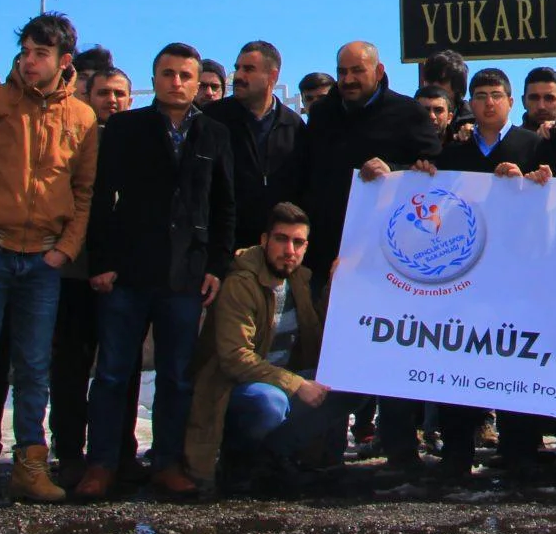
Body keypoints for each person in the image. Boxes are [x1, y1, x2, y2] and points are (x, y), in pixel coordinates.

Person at [0, 12, 99, 512]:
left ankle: (31, 466)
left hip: (44, 261)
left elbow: (85, 191)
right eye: (25, 52)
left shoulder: (83, 117)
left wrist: (65, 249)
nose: (30, 62)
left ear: (63, 60)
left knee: (34, 368)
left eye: (41, 54)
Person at [78, 44, 235, 500]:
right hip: (127, 270)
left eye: (186, 75)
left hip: (185, 276)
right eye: (169, 74)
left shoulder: (213, 133)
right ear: (155, 78)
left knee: (176, 376)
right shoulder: (126, 128)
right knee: (111, 373)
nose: (178, 83)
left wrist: (216, 266)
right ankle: (102, 463)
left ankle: (168, 461)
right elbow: (101, 197)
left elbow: (225, 206)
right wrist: (102, 261)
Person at [297, 41, 441, 472]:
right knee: (329, 357)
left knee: (391, 356)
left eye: (356, 71)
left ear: (378, 71)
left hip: (389, 263)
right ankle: (323, 452)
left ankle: (399, 453)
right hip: (330, 255)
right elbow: (308, 177)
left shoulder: (408, 113)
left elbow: (433, 170)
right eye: (342, 72)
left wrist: (391, 170)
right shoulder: (322, 115)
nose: (347, 80)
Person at [424, 69, 551, 479]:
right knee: (458, 359)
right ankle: (457, 451)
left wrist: (534, 184)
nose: (488, 102)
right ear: (470, 104)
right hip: (464, 274)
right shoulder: (453, 153)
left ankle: (520, 452)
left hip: (519, 273)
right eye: (480, 96)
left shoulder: (534, 146)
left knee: (516, 360)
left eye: (496, 95)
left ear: (511, 102)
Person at [183, 204, 347, 497]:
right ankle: (237, 459)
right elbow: (235, 359)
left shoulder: (298, 280)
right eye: (281, 239)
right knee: (268, 403)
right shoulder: (240, 283)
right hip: (233, 390)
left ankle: (271, 458)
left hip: (281, 384)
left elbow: (317, 339)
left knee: (350, 385)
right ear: (264, 240)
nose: (289, 250)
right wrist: (296, 384)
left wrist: (335, 288)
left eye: (298, 242)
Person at [52, 65, 134, 490]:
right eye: (104, 93)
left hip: (123, 276)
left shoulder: (138, 138)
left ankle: (120, 449)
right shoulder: (75, 138)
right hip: (74, 271)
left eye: (120, 93)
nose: (113, 101)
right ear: (89, 95)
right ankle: (68, 452)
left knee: (122, 369)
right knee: (69, 368)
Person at [205, 41, 309, 254]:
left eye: (249, 69)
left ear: (273, 76)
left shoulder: (294, 126)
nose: (239, 76)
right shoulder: (213, 120)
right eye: (238, 68)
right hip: (222, 249)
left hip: (277, 252)